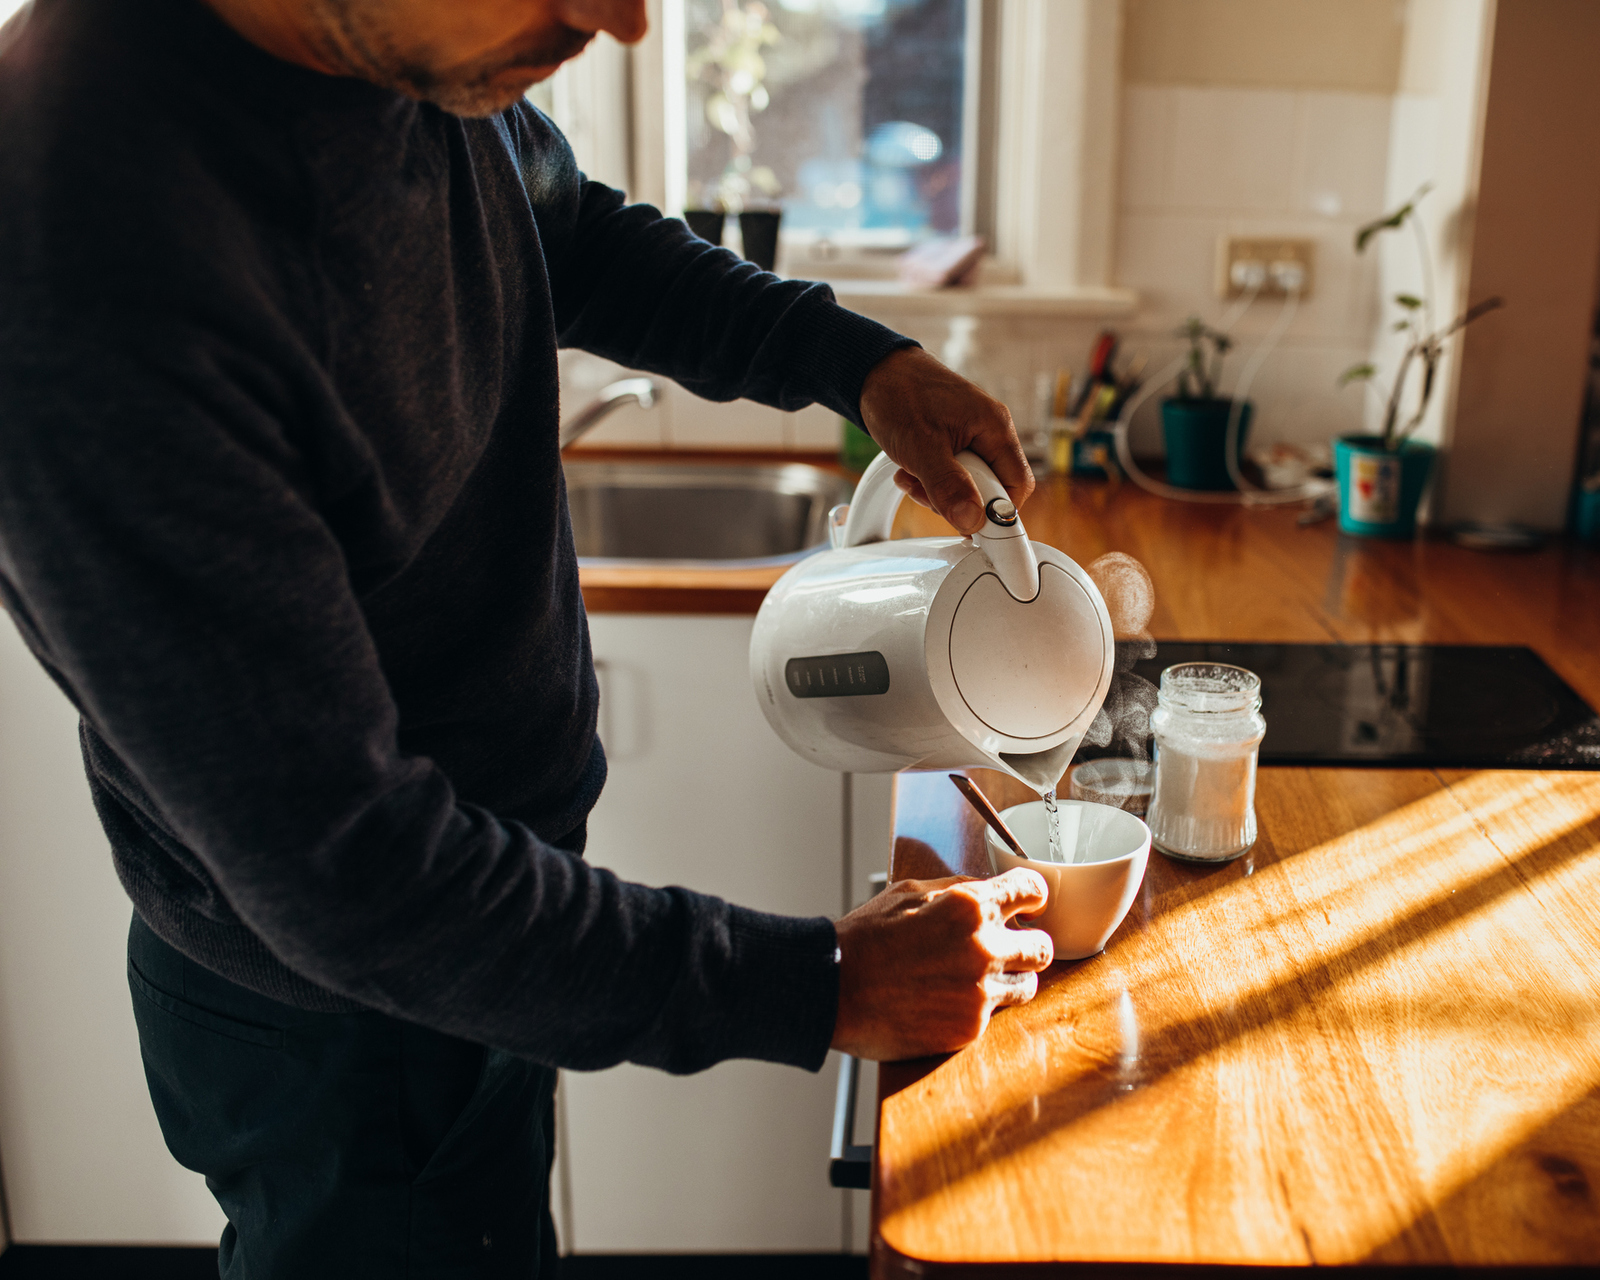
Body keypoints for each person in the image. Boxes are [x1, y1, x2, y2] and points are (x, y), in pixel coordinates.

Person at [0, 0, 1053, 1273]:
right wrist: (819, 982)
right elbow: (356, 876)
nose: (621, 20)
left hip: (473, 943)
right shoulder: (91, 256)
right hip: (348, 1027)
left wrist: (852, 361)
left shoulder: (407, 55)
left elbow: (564, 229)